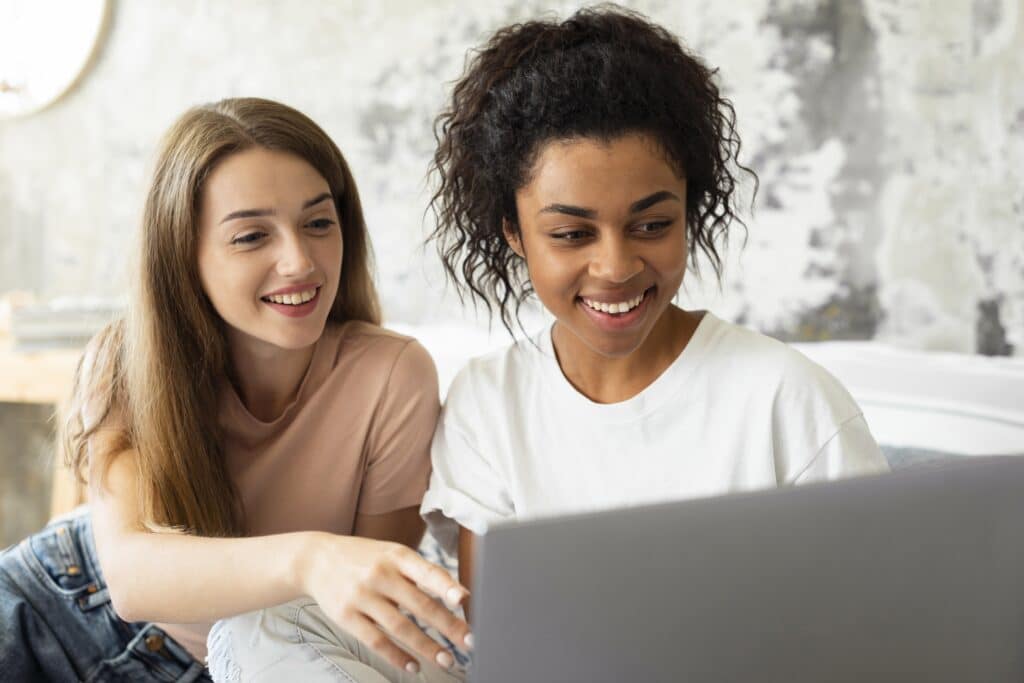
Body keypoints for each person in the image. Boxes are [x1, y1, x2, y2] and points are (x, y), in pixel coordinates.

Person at [419, 5, 890, 613]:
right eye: (570, 235)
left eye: (652, 224)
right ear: (514, 231)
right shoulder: (489, 403)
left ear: (688, 213)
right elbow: (502, 645)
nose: (615, 267)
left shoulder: (786, 398)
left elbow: (879, 618)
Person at [0, 97, 471, 682]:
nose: (299, 261)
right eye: (251, 237)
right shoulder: (125, 363)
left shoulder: (393, 376)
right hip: (60, 605)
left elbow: (361, 616)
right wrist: (309, 556)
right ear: (183, 254)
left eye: (319, 223)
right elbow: (131, 578)